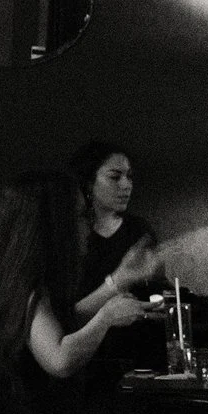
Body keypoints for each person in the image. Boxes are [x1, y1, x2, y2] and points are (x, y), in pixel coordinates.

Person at [0, 171, 155, 414]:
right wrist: (106, 317)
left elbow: (59, 323)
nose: (90, 226)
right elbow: (59, 360)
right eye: (83, 216)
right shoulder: (27, 289)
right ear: (55, 225)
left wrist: (118, 281)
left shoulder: (12, 280)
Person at [65, 141, 169, 369]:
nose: (126, 185)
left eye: (129, 177)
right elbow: (66, 317)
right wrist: (118, 282)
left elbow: (154, 288)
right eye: (115, 177)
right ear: (88, 181)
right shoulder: (69, 235)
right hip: (87, 353)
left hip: (139, 347)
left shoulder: (137, 229)